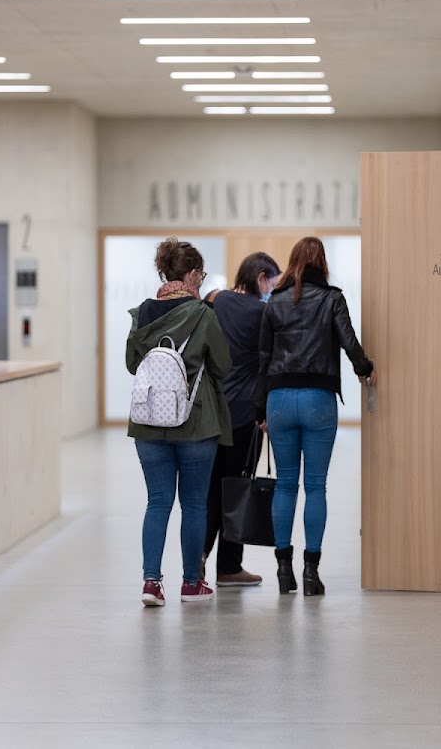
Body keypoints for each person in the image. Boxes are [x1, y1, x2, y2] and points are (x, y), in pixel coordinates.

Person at [255, 237, 375, 596]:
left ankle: (282, 569)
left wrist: (260, 407)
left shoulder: (273, 301)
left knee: (287, 485)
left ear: (291, 263)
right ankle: (310, 573)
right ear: (321, 263)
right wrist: (365, 368)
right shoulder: (331, 298)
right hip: (318, 399)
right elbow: (349, 341)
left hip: (278, 399)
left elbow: (263, 359)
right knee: (315, 486)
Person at [126, 237, 232, 607]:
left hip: (148, 422)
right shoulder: (203, 314)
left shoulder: (142, 313)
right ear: (190, 274)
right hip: (196, 422)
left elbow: (130, 364)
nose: (201, 280)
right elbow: (222, 365)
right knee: (194, 504)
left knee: (157, 502)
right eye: (200, 274)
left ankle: (151, 583)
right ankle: (191, 584)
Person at [202, 251, 283, 587]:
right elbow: (269, 364)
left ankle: (196, 564)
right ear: (261, 277)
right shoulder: (264, 312)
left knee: (206, 493)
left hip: (208, 412)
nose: (271, 292)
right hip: (243, 414)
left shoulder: (213, 299)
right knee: (234, 489)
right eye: (271, 284)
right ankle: (228, 567)